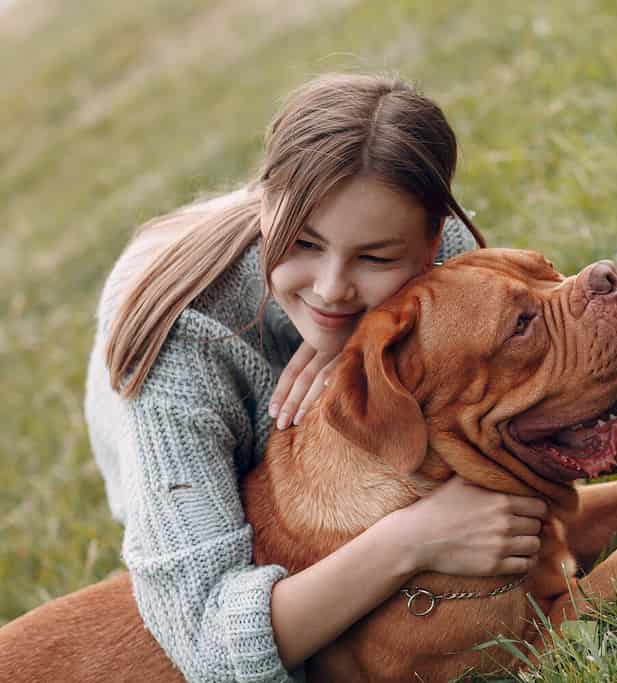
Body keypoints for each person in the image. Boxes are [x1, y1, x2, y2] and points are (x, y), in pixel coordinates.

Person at [83, 73, 549, 682]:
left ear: (431, 239)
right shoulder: (176, 358)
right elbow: (209, 650)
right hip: (179, 428)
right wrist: (413, 540)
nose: (332, 288)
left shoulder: (441, 258)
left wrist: (364, 349)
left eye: (376, 258)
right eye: (305, 242)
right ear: (264, 202)